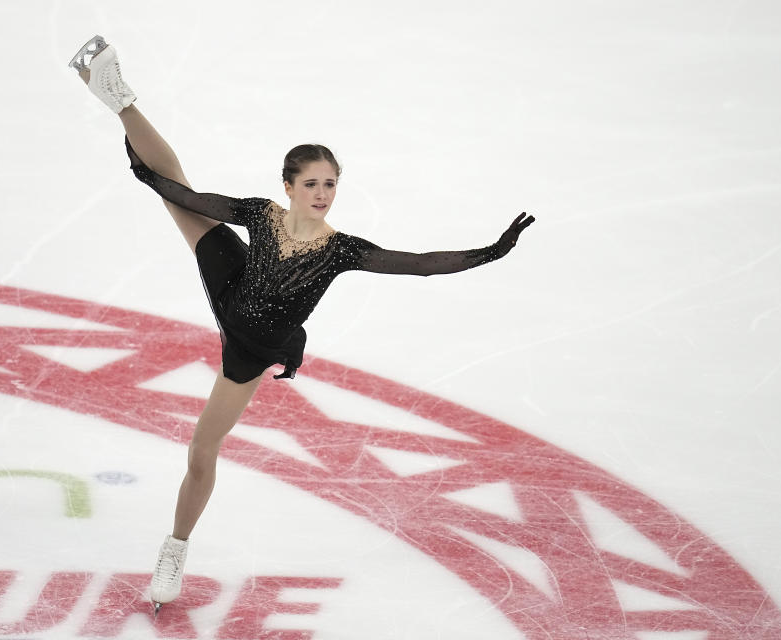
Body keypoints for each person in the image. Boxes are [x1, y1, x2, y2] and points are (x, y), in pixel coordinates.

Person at [68, 35, 535, 615]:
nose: (321, 194)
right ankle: (121, 101)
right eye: (311, 183)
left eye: (330, 184)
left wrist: (490, 251)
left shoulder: (342, 250)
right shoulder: (260, 215)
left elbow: (418, 266)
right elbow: (189, 194)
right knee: (178, 200)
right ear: (288, 186)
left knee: (201, 448)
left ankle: (173, 545)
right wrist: (147, 178)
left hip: (250, 347)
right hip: (230, 282)